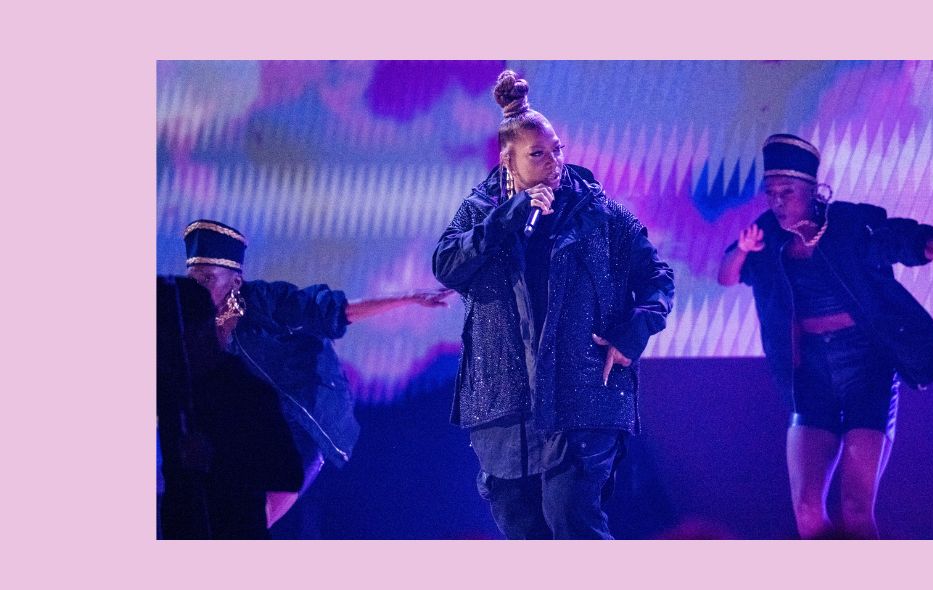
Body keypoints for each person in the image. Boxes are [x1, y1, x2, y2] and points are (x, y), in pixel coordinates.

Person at [717, 134, 933, 539]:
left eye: (787, 192)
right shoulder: (765, 234)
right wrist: (741, 250)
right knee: (808, 510)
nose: (777, 202)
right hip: (809, 374)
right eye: (771, 193)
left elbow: (914, 242)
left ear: (812, 190)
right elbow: (727, 276)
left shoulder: (849, 224)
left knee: (855, 509)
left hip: (866, 368)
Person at [432, 70, 674, 539]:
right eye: (538, 154)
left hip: (582, 394)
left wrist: (632, 333)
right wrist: (512, 215)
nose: (553, 162)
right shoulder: (485, 211)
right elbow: (446, 264)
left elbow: (657, 276)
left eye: (557, 149)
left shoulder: (599, 210)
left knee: (572, 523)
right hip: (505, 404)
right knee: (524, 531)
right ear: (509, 160)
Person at [183, 219, 452, 527]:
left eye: (206, 279)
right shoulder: (187, 327)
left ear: (234, 283)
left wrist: (408, 298)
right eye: (191, 279)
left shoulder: (266, 303)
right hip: (245, 428)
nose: (196, 289)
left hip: (304, 421)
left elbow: (332, 310)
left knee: (252, 521)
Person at [157, 275, 303, 539]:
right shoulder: (168, 390)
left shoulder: (247, 393)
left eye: (166, 337)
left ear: (199, 332)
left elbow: (289, 474)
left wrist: (217, 459)